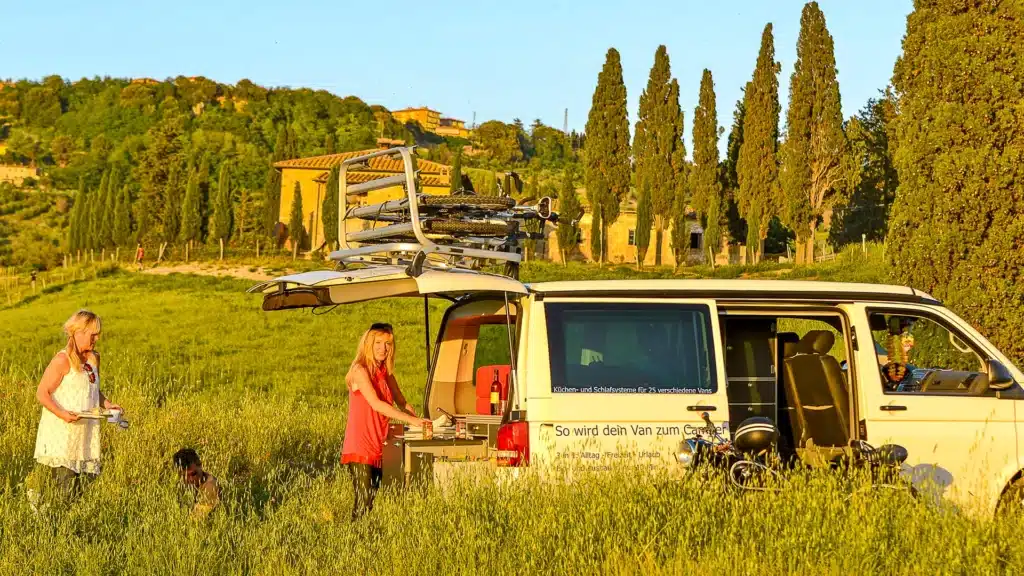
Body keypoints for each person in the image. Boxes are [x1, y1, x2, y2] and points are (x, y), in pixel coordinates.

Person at [341, 322, 429, 521]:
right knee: (363, 502)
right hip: (360, 445)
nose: (383, 348)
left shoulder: (384, 372)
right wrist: (410, 421)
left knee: (372, 499)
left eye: (388, 344)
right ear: (368, 344)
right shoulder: (359, 370)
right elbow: (376, 404)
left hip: (380, 444)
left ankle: (364, 542)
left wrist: (420, 421)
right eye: (378, 343)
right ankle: (353, 540)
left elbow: (401, 401)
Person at [32, 309, 121, 501]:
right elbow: (42, 393)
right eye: (93, 334)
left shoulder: (93, 359)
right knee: (64, 492)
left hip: (85, 435)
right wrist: (62, 413)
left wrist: (108, 405)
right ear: (79, 332)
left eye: (98, 334)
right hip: (63, 436)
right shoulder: (62, 360)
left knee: (82, 492)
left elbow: (92, 390)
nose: (97, 338)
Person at [173, 448, 221, 519]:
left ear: (200, 465)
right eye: (185, 476)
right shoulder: (180, 482)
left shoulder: (210, 486)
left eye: (193, 474)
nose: (191, 479)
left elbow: (195, 520)